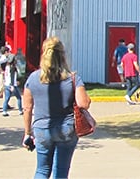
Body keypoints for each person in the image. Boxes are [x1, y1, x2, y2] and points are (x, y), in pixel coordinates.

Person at [22, 37, 90, 179]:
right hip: (66, 128)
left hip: (41, 128)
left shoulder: (33, 78)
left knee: (42, 169)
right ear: (62, 55)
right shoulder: (72, 78)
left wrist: (28, 133)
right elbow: (84, 103)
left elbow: (27, 108)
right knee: (61, 170)